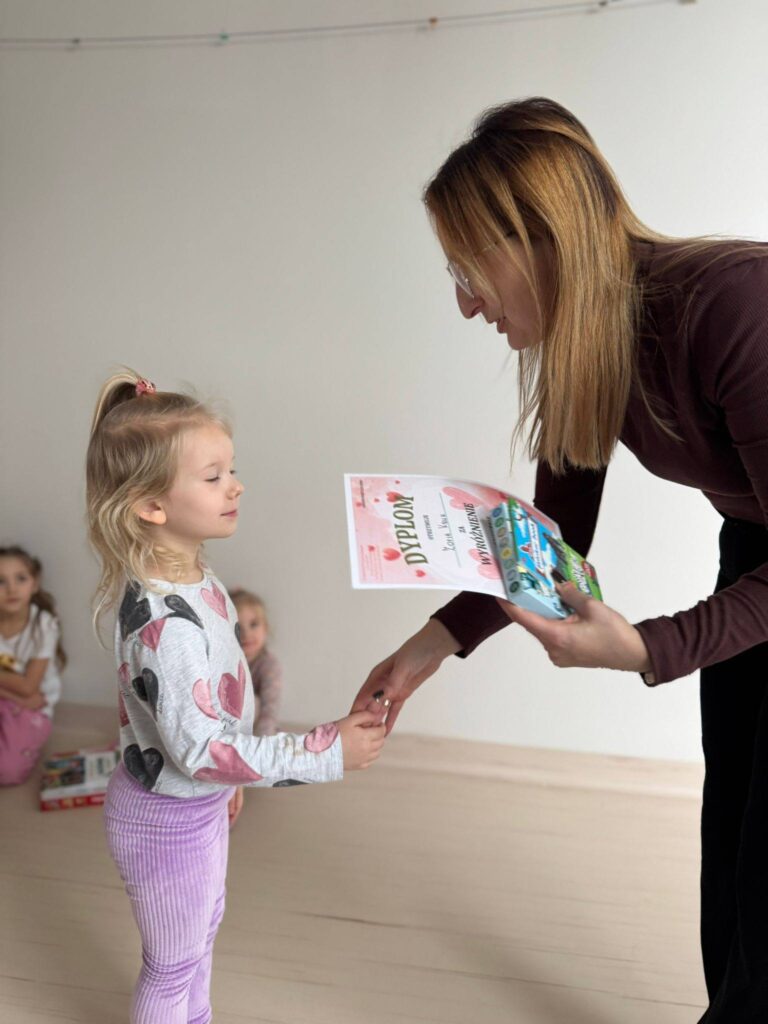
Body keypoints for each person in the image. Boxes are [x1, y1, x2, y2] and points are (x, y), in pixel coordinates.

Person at [351, 97, 768, 1023]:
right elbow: (553, 533)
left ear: (539, 235)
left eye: (469, 268)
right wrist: (427, 649)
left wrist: (650, 648)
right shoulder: (595, 346)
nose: (466, 303)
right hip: (756, 554)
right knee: (736, 822)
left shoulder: (735, 308)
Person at [87, 370, 385, 1024]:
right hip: (164, 822)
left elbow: (206, 728)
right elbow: (200, 750)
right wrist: (327, 751)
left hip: (194, 804)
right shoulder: (167, 628)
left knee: (202, 932)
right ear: (152, 505)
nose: (236, 485)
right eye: (214, 475)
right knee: (171, 965)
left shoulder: (198, 579)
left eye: (232, 470)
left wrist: (224, 785)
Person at [0, 545, 66, 785]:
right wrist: (14, 694)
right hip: (14, 697)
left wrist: (20, 696)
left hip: (34, 705)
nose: (12, 589)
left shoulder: (43, 625)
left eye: (20, 579)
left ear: (35, 583)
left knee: (8, 772)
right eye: (1, 581)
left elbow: (29, 688)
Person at [230, 588, 281, 735]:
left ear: (266, 628)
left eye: (253, 624)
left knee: (254, 702)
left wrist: (264, 739)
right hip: (229, 727)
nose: (247, 634)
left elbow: (270, 707)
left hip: (258, 732)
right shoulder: (226, 662)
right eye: (238, 628)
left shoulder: (268, 665)